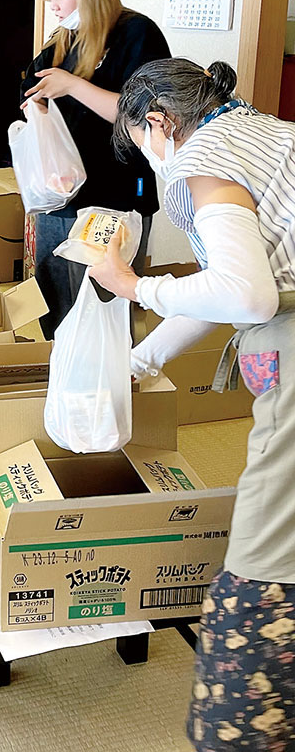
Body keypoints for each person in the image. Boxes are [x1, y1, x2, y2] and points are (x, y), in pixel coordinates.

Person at [90, 57, 295, 752]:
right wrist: (138, 361)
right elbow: (230, 285)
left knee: (261, 571)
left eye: (144, 145)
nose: (152, 162)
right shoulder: (261, 132)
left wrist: (135, 287)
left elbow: (248, 295)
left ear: (159, 123)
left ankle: (240, 728)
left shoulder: (201, 156)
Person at [20, 0, 170, 338]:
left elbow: (144, 117)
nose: (52, 6)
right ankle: (56, 377)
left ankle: (105, 390)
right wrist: (36, 106)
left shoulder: (137, 34)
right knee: (55, 300)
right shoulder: (67, 38)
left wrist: (71, 86)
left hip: (115, 196)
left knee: (103, 305)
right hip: (62, 194)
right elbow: (31, 87)